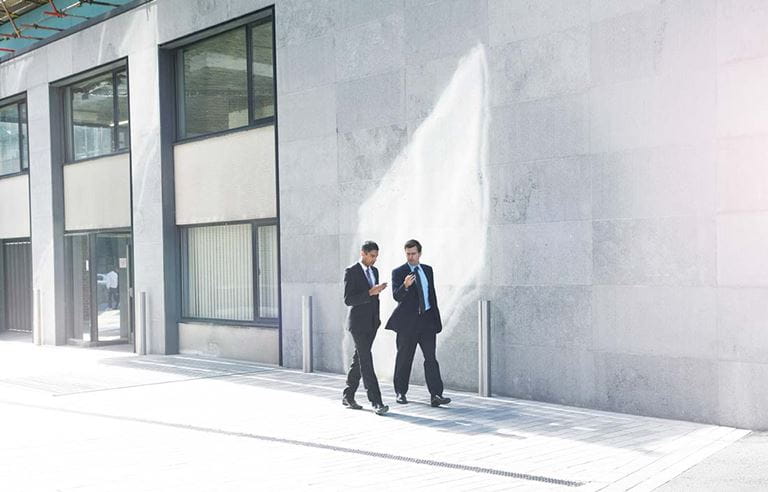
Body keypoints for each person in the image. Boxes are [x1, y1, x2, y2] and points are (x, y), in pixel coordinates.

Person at [385, 239, 451, 407]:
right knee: (404, 358)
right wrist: (405, 286)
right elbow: (396, 296)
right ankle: (400, 392)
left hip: (427, 321)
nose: (410, 257)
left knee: (431, 359)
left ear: (420, 253)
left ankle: (436, 394)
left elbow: (431, 295)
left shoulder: (428, 270)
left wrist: (436, 319)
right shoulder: (399, 272)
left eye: (413, 253)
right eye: (408, 254)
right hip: (408, 323)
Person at [342, 241, 389, 415]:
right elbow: (348, 299)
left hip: (372, 323)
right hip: (358, 324)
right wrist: (369, 292)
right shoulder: (351, 272)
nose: (374, 259)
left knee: (359, 359)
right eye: (371, 256)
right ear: (363, 253)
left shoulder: (374, 271)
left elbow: (374, 298)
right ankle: (376, 402)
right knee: (366, 361)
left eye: (376, 256)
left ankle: (348, 395)